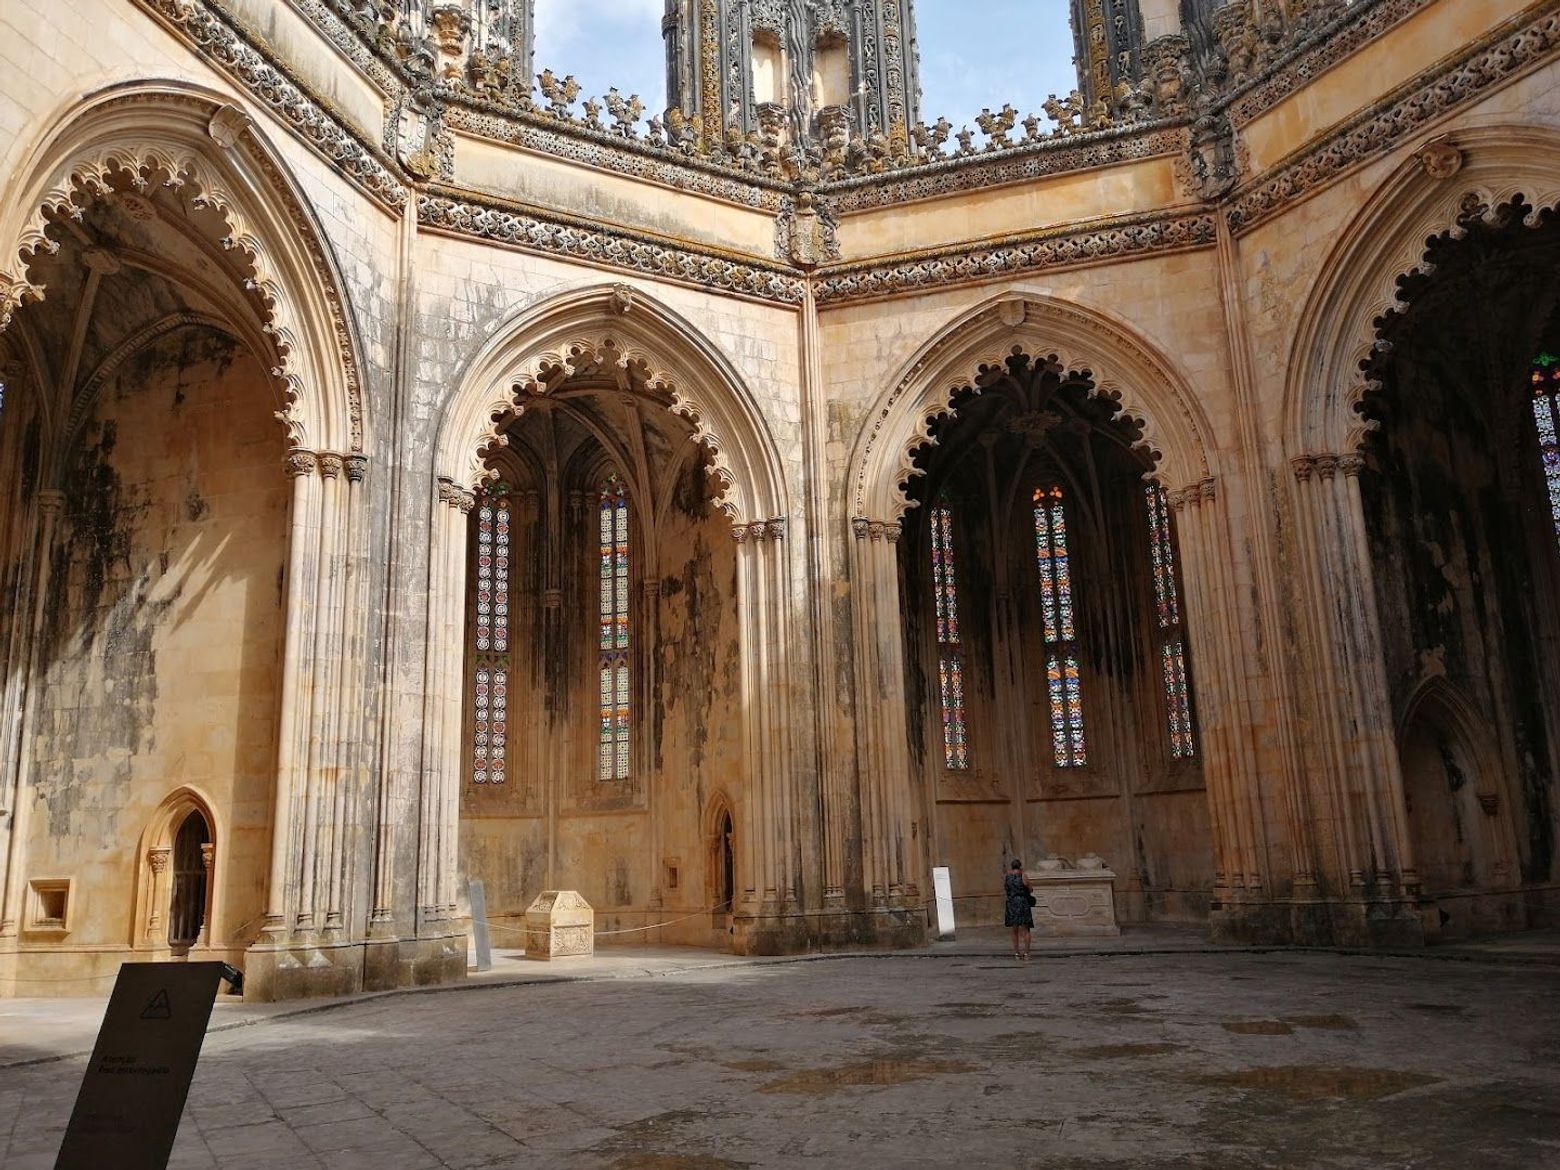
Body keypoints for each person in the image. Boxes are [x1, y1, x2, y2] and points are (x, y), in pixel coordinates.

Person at [1004, 859, 1033, 961]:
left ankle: (1016, 953)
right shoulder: (1023, 875)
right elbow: (1030, 889)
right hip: (1022, 902)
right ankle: (1026, 953)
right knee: (1026, 929)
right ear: (1020, 866)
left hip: (1011, 903)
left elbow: (1006, 889)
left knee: (1014, 929)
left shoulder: (1007, 876)